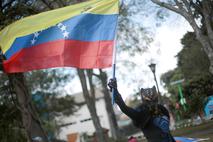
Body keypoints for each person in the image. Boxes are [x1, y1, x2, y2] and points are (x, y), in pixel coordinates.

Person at [108, 78, 176, 142]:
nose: (152, 103)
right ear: (145, 101)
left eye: (153, 100)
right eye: (149, 101)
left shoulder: (162, 109)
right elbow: (125, 108)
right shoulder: (142, 114)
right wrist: (115, 91)